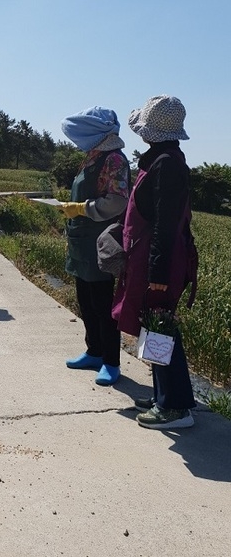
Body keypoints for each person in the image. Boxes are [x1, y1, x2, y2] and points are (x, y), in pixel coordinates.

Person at [112, 95, 198, 429]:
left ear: (150, 131)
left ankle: (175, 408)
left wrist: (158, 274)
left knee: (161, 329)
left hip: (158, 260)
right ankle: (165, 394)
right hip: (149, 257)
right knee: (154, 327)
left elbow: (165, 223)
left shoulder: (167, 164)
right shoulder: (163, 158)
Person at [59, 107, 130, 386]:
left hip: (100, 242)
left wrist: (81, 208)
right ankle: (94, 351)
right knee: (86, 302)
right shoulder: (93, 157)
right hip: (80, 241)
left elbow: (117, 201)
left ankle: (111, 362)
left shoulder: (113, 159)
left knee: (103, 305)